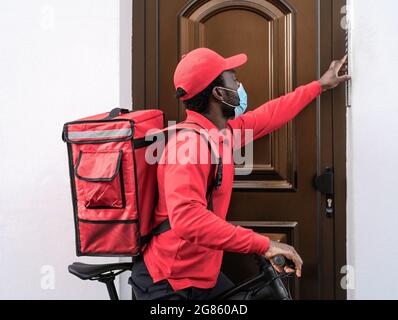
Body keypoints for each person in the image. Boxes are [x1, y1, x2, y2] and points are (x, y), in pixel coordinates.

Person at [129, 47, 351, 300]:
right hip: (172, 282)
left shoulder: (220, 134)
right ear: (219, 93)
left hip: (201, 274)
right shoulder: (188, 146)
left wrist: (320, 85)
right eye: (234, 79)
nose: (240, 85)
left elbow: (270, 114)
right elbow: (188, 219)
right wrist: (264, 244)